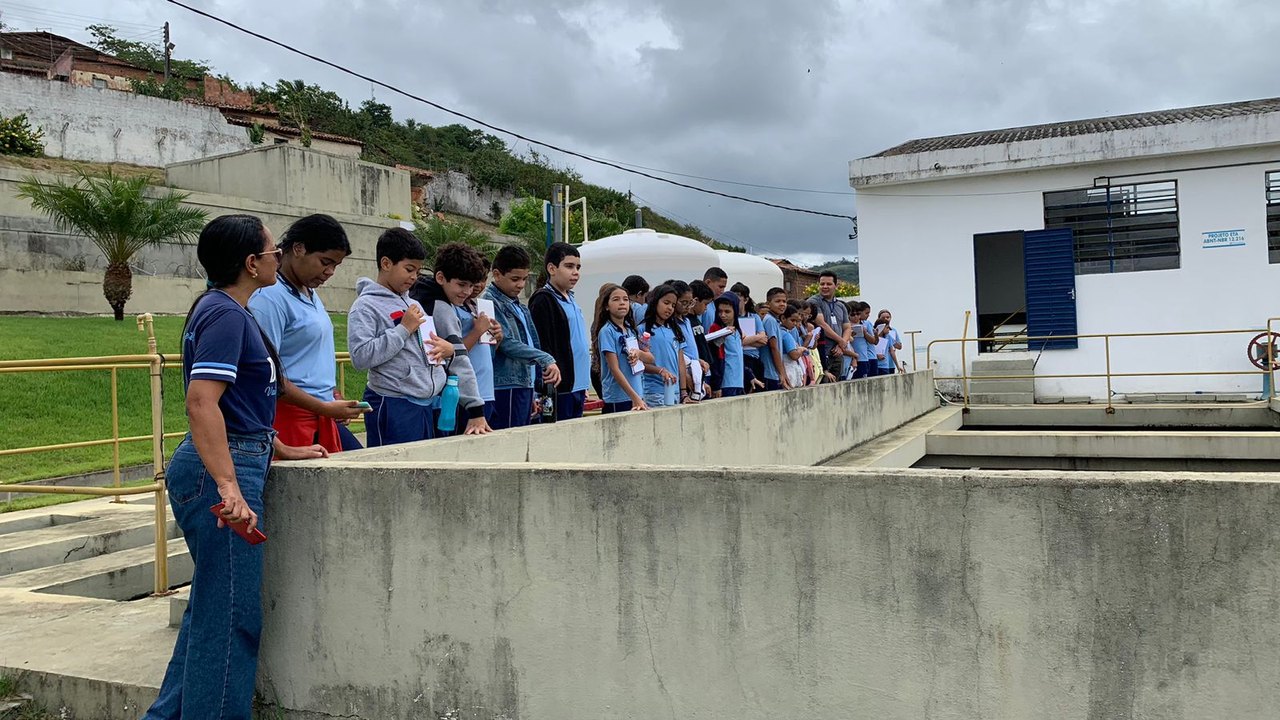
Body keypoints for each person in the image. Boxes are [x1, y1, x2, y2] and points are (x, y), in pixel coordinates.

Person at [146, 215, 342, 720]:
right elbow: (202, 402)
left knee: (211, 611)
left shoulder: (228, 310)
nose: (279, 258)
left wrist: (279, 447)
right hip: (222, 467)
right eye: (273, 252)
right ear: (252, 263)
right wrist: (228, 484)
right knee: (232, 616)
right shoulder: (227, 315)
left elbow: (245, 403)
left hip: (238, 456)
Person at [248, 214, 365, 454]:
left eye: (335, 266)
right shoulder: (269, 297)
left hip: (321, 412)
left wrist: (332, 395)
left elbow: (309, 356)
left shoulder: (307, 290)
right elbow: (266, 373)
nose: (330, 272)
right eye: (325, 262)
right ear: (298, 249)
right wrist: (324, 407)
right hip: (291, 418)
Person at [347, 228, 454, 446]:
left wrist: (446, 350)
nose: (414, 277)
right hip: (393, 403)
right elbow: (360, 357)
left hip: (427, 404)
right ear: (386, 263)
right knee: (396, 467)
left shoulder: (413, 303)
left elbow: (427, 346)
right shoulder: (365, 306)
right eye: (409, 269)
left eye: (418, 271)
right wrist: (403, 329)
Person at [410, 242, 495, 435]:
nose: (467, 292)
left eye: (471, 286)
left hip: (418, 396)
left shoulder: (416, 295)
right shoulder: (441, 308)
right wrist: (476, 409)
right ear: (441, 278)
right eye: (462, 284)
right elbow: (459, 359)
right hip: (433, 401)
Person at [485, 246, 561, 429]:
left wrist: (534, 389)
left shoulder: (520, 306)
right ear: (497, 274)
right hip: (506, 385)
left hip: (524, 383)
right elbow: (506, 342)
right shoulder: (490, 302)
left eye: (524, 279)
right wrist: (545, 358)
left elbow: (531, 343)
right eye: (515, 279)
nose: (520, 285)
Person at [529, 242, 592, 420]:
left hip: (577, 385)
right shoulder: (543, 300)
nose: (575, 272)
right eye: (569, 266)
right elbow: (541, 344)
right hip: (558, 386)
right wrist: (542, 388)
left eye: (578, 267)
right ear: (552, 268)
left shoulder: (571, 299)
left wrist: (583, 383)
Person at [592, 283, 650, 413]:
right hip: (618, 398)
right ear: (606, 306)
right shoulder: (607, 331)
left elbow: (650, 358)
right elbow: (614, 369)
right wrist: (634, 397)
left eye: (625, 299)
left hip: (637, 394)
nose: (622, 303)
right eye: (616, 299)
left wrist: (639, 353)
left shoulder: (630, 330)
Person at [638, 284, 685, 407]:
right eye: (666, 303)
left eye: (673, 305)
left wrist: (683, 392)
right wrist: (659, 371)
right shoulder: (643, 330)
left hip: (675, 391)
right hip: (654, 392)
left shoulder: (675, 330)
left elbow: (681, 362)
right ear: (655, 302)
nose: (669, 308)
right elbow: (639, 363)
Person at [808, 271, 852, 381]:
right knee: (822, 383)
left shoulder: (841, 305)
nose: (825, 287)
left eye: (829, 284)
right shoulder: (814, 302)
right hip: (822, 352)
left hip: (838, 353)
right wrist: (841, 341)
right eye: (822, 284)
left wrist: (841, 345)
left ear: (836, 285)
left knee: (837, 384)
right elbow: (821, 324)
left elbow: (847, 328)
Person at [708, 293, 746, 398]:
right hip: (725, 382)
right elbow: (715, 356)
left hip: (738, 382)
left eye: (727, 311)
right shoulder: (716, 328)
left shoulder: (737, 331)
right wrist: (716, 385)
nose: (723, 315)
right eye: (720, 311)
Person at [758, 287, 789, 391]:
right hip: (770, 373)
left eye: (784, 301)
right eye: (777, 301)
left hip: (774, 373)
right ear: (768, 304)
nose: (782, 304)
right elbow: (774, 347)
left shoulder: (776, 321)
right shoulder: (770, 320)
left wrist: (783, 373)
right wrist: (781, 373)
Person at [845, 301, 880, 379]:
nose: (856, 317)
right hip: (851, 359)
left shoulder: (865, 324)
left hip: (863, 358)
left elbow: (873, 341)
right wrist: (849, 334)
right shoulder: (846, 325)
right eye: (853, 315)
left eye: (858, 314)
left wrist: (865, 333)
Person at [779, 301, 808, 389]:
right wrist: (801, 349)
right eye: (792, 320)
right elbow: (794, 355)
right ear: (783, 318)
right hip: (789, 369)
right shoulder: (786, 335)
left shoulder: (780, 332)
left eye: (796, 321)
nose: (795, 323)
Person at [878, 308, 905, 373]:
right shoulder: (876, 331)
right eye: (883, 318)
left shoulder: (893, 331)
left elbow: (899, 347)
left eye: (888, 317)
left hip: (890, 363)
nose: (886, 319)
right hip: (880, 363)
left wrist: (891, 339)